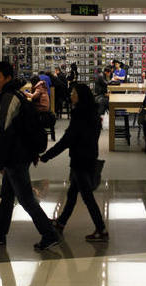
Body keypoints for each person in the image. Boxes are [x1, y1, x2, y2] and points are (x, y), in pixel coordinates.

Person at [0, 61, 61, 251]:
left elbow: (3, 131)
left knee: (25, 198)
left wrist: (0, 161)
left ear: (8, 77)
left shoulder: (9, 97)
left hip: (15, 156)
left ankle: (49, 234)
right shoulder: (16, 94)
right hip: (18, 153)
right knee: (7, 196)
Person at [40, 83, 108, 242]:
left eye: (74, 93)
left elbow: (67, 140)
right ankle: (61, 222)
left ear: (81, 96)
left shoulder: (80, 114)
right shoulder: (92, 113)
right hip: (88, 156)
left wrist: (46, 156)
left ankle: (101, 229)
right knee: (72, 194)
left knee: (87, 197)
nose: (71, 95)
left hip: (81, 160)